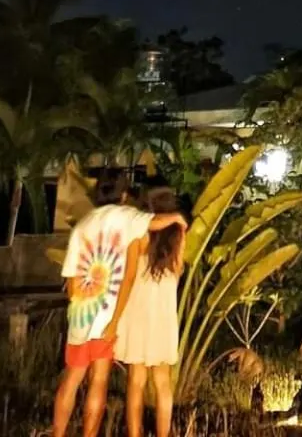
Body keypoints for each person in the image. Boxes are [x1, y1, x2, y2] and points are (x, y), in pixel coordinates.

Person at [53, 174, 185, 437]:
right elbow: (156, 223)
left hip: (82, 313)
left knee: (72, 379)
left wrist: (78, 307)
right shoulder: (127, 218)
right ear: (124, 195)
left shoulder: (81, 226)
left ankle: (57, 433)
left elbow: (70, 279)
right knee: (99, 381)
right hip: (109, 315)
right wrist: (178, 219)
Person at [115, 187, 187, 437]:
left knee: (136, 381)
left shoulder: (139, 234)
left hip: (138, 312)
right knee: (163, 382)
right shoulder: (178, 236)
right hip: (163, 316)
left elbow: (129, 273)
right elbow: (178, 270)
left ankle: (135, 434)